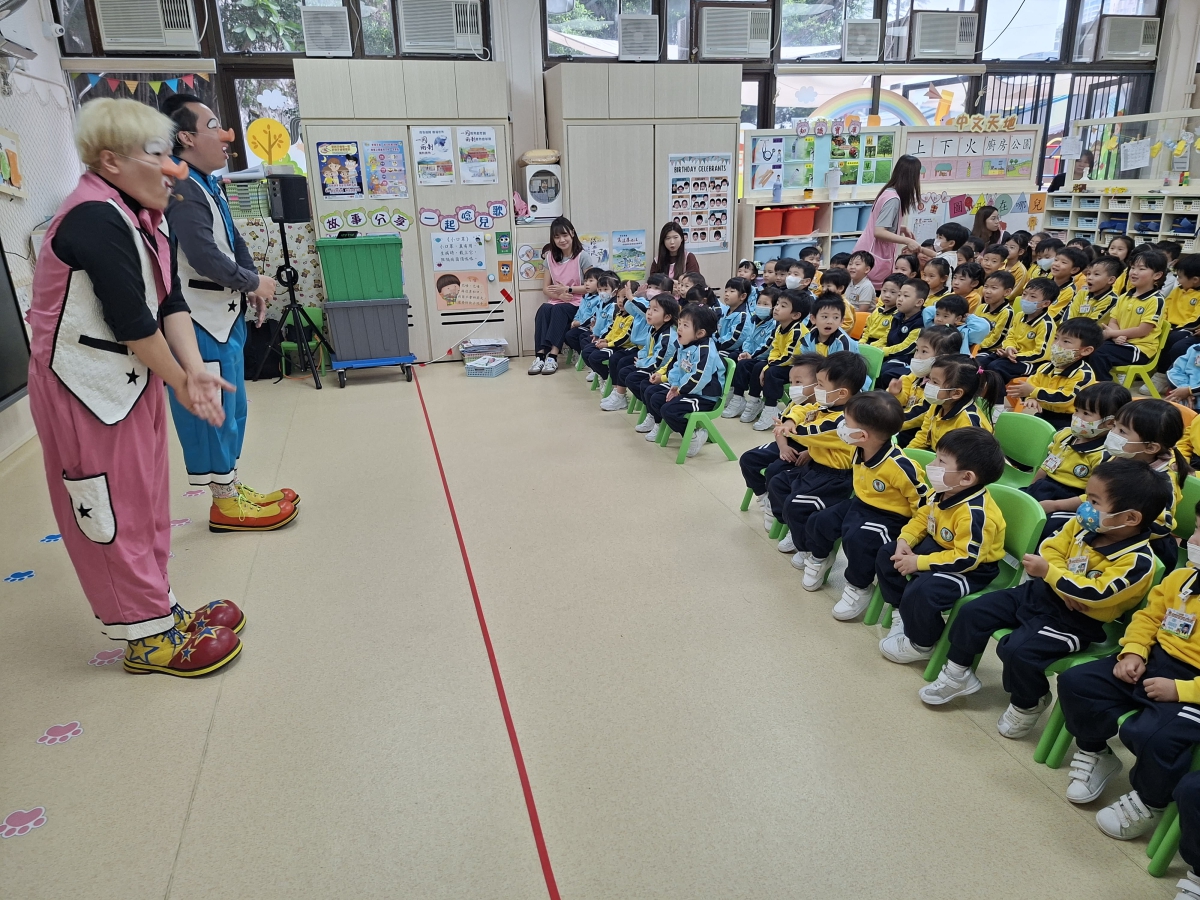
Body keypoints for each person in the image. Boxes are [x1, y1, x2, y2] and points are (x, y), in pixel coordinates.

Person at [26, 98, 243, 676]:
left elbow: (169, 303)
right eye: (157, 155)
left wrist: (192, 370)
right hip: (84, 387)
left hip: (131, 377)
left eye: (172, 155)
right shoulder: (92, 217)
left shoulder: (144, 216)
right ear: (110, 161)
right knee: (110, 507)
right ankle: (143, 637)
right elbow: (133, 322)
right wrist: (183, 382)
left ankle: (158, 608)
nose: (173, 169)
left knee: (146, 499)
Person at [921, 457, 1166, 742]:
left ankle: (1028, 702)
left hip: (1076, 621)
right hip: (1040, 594)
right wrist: (1062, 584)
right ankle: (957, 673)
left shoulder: (1138, 561)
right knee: (974, 611)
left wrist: (1052, 574)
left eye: (1094, 502)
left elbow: (1096, 593)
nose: (1085, 507)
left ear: (1130, 518)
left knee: (1019, 653)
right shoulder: (1084, 527)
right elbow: (1049, 549)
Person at [160, 93, 298, 533]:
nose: (226, 136)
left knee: (233, 411)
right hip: (199, 319)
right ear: (185, 137)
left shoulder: (206, 183)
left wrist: (251, 282)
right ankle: (224, 503)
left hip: (224, 314)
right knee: (212, 415)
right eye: (213, 126)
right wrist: (252, 283)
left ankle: (231, 486)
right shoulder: (180, 186)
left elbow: (233, 242)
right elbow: (203, 256)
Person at [1053, 498, 1200, 840]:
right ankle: (1095, 751)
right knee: (1078, 683)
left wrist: (1181, 690)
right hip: (1154, 659)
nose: (1192, 541)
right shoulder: (1183, 578)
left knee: (1156, 737)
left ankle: (1150, 800)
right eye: (1196, 530)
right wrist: (1134, 652)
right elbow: (1149, 618)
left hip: (1192, 687)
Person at [875, 427, 1007, 664]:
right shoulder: (942, 491)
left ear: (966, 478)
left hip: (971, 568)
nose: (932, 464)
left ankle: (922, 643)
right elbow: (922, 518)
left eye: (941, 461)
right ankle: (902, 611)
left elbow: (966, 558)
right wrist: (905, 540)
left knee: (923, 592)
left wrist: (919, 562)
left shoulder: (975, 515)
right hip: (939, 548)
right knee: (888, 554)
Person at [804, 391, 928, 619]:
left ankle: (859, 587)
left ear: (862, 435)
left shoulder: (899, 466)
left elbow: (922, 501)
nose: (841, 425)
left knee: (859, 540)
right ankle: (820, 557)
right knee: (819, 520)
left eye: (846, 422)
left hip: (891, 518)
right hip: (861, 504)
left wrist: (914, 535)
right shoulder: (857, 447)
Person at [1039, 398, 1188, 573]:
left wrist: (1114, 525)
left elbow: (1161, 526)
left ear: (1150, 448)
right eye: (1115, 426)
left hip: (1140, 544)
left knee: (1059, 527)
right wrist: (1057, 505)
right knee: (1056, 523)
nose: (1113, 433)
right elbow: (1096, 495)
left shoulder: (1162, 481)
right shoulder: (1119, 458)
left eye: (1122, 431)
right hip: (1108, 525)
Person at [770, 352, 869, 568]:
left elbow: (812, 432)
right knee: (778, 483)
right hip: (815, 467)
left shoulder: (845, 420)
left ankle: (808, 547)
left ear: (842, 393)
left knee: (795, 505)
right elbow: (805, 408)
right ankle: (797, 530)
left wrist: (788, 429)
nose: (816, 389)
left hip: (835, 477)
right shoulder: (827, 404)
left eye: (821, 385)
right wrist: (790, 419)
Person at [739, 353, 824, 530]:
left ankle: (775, 507)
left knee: (774, 470)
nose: (793, 387)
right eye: (791, 382)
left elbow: (828, 439)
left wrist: (811, 452)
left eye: (798, 382)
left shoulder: (824, 408)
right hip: (787, 444)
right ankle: (764, 497)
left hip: (809, 451)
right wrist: (783, 447)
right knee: (748, 459)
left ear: (819, 383)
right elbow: (780, 428)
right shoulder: (795, 404)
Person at [1022, 381, 1130, 504]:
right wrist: (1029, 492)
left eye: (1086, 413)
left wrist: (1055, 506)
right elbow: (1045, 468)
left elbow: (1094, 496)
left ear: (1110, 422)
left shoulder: (1107, 454)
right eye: (1077, 410)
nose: (1077, 417)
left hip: (1069, 500)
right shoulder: (1064, 435)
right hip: (1043, 487)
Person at [644, 304, 724, 457]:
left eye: (685, 325)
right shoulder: (685, 344)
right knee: (654, 395)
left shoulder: (705, 351)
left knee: (669, 410)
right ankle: (659, 424)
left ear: (700, 333)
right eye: (679, 323)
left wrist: (680, 391)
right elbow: (677, 367)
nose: (679, 328)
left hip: (704, 396)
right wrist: (674, 385)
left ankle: (693, 436)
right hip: (687, 389)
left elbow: (699, 378)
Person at [1089, 249, 1169, 382]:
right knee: (1087, 347)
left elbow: (1143, 330)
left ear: (1157, 275)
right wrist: (1116, 336)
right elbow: (1113, 322)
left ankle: (1104, 389)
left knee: (1099, 354)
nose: (1134, 272)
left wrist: (1113, 334)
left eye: (1141, 269)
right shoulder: (1124, 296)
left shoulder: (1156, 300)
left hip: (1140, 348)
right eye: (1132, 268)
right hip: (1119, 342)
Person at [1008, 317, 1103, 428]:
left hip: (1069, 420)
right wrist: (1030, 398)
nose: (1057, 344)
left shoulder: (1083, 374)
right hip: (1043, 413)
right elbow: (1029, 386)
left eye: (1066, 341)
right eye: (1056, 338)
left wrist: (1034, 392)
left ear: (1086, 350)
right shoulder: (1045, 368)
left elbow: (1066, 398)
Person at [530, 216, 595, 374]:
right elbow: (546, 288)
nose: (562, 240)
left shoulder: (582, 257)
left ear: (572, 233)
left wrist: (568, 290)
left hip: (579, 304)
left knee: (559, 310)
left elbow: (592, 287)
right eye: (557, 237)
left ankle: (552, 356)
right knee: (544, 309)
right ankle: (540, 356)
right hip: (557, 301)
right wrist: (560, 296)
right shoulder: (550, 257)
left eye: (565, 235)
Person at [852, 153, 924, 287]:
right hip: (873, 256)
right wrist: (908, 241)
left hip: (866, 252)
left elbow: (880, 223)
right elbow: (879, 231)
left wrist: (899, 228)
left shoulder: (888, 192)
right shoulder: (893, 199)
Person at [887, 325, 964, 447]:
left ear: (943, 358)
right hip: (903, 424)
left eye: (924, 351)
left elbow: (921, 412)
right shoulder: (916, 376)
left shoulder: (940, 388)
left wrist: (888, 422)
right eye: (917, 350)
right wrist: (897, 394)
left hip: (918, 432)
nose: (917, 356)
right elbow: (904, 399)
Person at [908, 355, 1003, 451]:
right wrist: (906, 453)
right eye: (929, 379)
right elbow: (924, 435)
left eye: (935, 382)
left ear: (956, 393)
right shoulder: (937, 404)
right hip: (940, 455)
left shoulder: (968, 423)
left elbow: (966, 457)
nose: (928, 384)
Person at [749, 291, 812, 429]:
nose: (776, 308)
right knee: (758, 366)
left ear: (795, 315)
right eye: (777, 304)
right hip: (784, 363)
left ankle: (771, 408)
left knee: (772, 372)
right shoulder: (779, 327)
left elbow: (790, 357)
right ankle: (754, 401)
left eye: (783, 306)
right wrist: (768, 363)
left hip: (798, 368)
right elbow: (775, 349)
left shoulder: (797, 331)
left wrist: (769, 366)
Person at [979, 277, 1058, 383]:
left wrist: (1015, 356)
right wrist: (1009, 347)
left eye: (1033, 296)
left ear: (1045, 303)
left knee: (996, 367)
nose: (1026, 299)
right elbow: (1010, 336)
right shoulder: (1020, 315)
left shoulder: (1046, 324)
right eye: (1024, 294)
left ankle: (996, 393)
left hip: (1032, 363)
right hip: (1012, 356)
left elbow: (1041, 354)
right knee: (981, 362)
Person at [722, 289, 777, 421]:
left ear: (773, 308)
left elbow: (767, 346)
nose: (761, 306)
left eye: (766, 304)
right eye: (759, 303)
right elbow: (748, 339)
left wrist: (752, 355)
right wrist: (745, 352)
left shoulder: (774, 324)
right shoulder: (754, 319)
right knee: (733, 356)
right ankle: (734, 394)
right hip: (751, 354)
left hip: (763, 357)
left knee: (746, 364)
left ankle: (748, 399)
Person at [874, 277, 927, 384]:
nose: (900, 299)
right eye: (899, 295)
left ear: (919, 302)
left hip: (905, 359)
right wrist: (873, 346)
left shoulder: (921, 322)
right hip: (889, 354)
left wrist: (883, 351)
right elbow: (886, 337)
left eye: (905, 296)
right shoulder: (897, 316)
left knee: (883, 371)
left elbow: (906, 348)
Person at [583, 279, 635, 385]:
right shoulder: (619, 314)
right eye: (618, 297)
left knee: (595, 357)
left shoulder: (632, 317)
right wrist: (605, 339)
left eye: (625, 297)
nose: (620, 300)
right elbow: (612, 330)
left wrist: (608, 344)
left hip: (621, 346)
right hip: (611, 343)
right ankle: (601, 373)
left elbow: (624, 337)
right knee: (587, 351)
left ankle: (607, 379)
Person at [1065, 256, 1121, 324]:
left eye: (1096, 274)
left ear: (1111, 280)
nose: (1089, 277)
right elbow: (1069, 314)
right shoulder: (1082, 293)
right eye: (1088, 274)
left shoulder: (1112, 300)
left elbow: (1092, 324)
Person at [977, 270, 1016, 352]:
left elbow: (997, 340)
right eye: (986, 286)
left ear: (1007, 292)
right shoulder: (981, 307)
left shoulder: (1007, 312)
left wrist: (976, 346)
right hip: (974, 346)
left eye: (993, 288)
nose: (987, 291)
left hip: (991, 351)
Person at [716, 277, 753, 355]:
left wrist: (717, 345)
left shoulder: (743, 316)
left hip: (735, 351)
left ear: (743, 296)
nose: (727, 294)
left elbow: (734, 341)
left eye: (732, 291)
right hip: (722, 346)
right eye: (726, 291)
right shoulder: (726, 310)